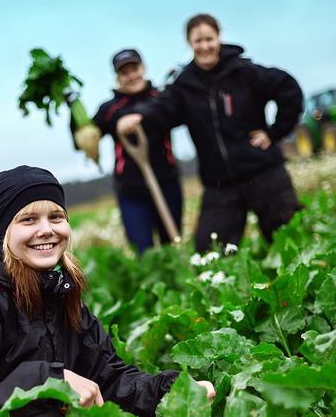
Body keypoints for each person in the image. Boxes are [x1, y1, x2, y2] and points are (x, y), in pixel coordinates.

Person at [0, 165, 215, 417]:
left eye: (56, 217)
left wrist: (174, 392)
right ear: (5, 232)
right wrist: (50, 380)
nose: (46, 229)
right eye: (28, 219)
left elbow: (112, 378)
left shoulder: (61, 294)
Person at [116, 15, 304, 252]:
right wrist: (139, 116)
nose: (204, 46)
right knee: (209, 254)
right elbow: (162, 109)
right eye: (198, 41)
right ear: (189, 43)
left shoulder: (244, 71)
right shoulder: (184, 85)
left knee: (290, 243)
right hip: (220, 184)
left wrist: (274, 132)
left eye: (209, 39)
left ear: (219, 38)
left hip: (263, 172)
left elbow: (289, 89)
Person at [73, 48, 183, 254]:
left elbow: (173, 114)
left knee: (172, 244)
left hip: (167, 182)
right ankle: (151, 284)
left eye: (135, 69)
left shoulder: (160, 98)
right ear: (117, 77)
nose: (131, 76)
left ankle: (176, 281)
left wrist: (137, 117)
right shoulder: (109, 109)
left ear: (143, 68)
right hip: (131, 190)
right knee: (143, 250)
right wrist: (73, 113)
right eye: (125, 72)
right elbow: (85, 141)